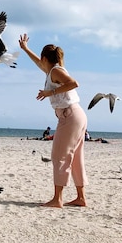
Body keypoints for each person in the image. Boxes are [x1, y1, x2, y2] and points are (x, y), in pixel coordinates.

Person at [19, 34, 88, 208]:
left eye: (41, 60)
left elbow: (74, 83)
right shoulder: (52, 71)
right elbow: (38, 62)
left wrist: (50, 93)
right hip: (76, 115)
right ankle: (81, 198)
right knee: (75, 157)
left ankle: (57, 199)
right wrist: (26, 49)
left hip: (69, 116)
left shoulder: (56, 71)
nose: (40, 63)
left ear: (45, 58)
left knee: (59, 156)